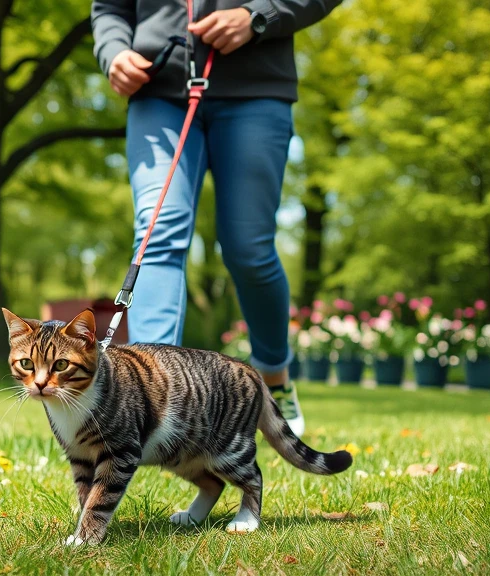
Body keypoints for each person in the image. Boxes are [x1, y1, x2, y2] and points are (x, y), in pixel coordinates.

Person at [92, 0, 342, 436]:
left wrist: (259, 15)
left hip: (257, 90)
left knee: (249, 249)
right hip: (158, 92)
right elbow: (109, 8)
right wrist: (113, 51)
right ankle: (154, 396)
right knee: (157, 234)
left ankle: (274, 374)